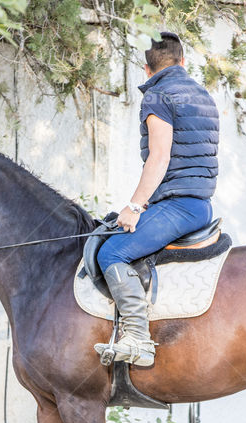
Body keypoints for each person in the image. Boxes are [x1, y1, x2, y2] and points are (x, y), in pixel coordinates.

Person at [93, 32, 220, 367]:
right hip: (199, 203)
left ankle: (138, 339)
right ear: (182, 62)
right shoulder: (202, 95)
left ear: (146, 69)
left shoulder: (158, 95)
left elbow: (159, 157)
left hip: (179, 207)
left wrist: (134, 206)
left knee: (112, 251)